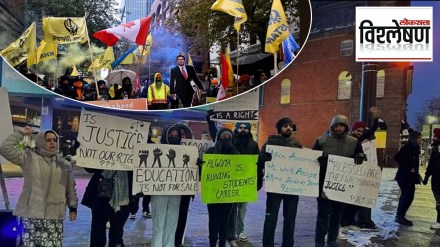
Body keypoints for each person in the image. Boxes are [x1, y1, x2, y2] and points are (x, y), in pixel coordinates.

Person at [0, 126, 78, 246]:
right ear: (41, 141)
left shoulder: (64, 163)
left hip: (54, 216)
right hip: (31, 215)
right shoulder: (28, 157)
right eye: (48, 140)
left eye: (54, 140)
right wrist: (21, 133)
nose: (52, 142)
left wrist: (73, 208)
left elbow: (70, 188)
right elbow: (5, 149)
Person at [312, 115, 365, 247]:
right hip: (324, 185)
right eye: (336, 125)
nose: (339, 128)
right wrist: (319, 160)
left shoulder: (353, 142)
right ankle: (319, 242)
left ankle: (331, 240)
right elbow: (311, 159)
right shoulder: (322, 140)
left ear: (346, 127)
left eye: (341, 126)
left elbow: (361, 159)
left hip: (342, 187)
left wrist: (361, 156)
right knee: (323, 215)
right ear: (332, 126)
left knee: (336, 216)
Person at [257, 118, 303, 247]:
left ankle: (288, 244)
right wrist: (264, 158)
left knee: (290, 219)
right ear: (279, 129)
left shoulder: (297, 144)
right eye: (285, 126)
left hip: (292, 187)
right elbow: (260, 160)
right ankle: (267, 244)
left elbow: (303, 164)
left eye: (290, 126)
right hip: (275, 187)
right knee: (271, 218)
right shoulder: (270, 143)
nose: (288, 128)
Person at [341, 107, 381, 231]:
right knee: (345, 202)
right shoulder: (346, 139)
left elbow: (373, 129)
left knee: (354, 201)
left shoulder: (360, 139)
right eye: (357, 130)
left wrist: (375, 118)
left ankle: (349, 222)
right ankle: (343, 224)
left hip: (357, 174)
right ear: (352, 130)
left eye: (361, 131)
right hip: (346, 174)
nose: (359, 133)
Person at [82, 167, 133, 247]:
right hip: (101, 195)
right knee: (98, 234)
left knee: (117, 234)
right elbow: (89, 168)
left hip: (124, 198)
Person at [205, 128, 238, 247]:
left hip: (228, 193)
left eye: (229, 136)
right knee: (213, 221)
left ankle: (222, 244)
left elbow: (242, 169)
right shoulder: (210, 151)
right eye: (224, 136)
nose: (226, 139)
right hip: (213, 192)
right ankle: (212, 243)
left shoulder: (235, 152)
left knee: (225, 221)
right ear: (219, 138)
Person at [151, 125, 182, 247]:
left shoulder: (182, 152)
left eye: (176, 135)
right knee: (158, 223)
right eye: (171, 135)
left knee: (172, 223)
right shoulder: (156, 149)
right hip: (160, 191)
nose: (174, 137)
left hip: (176, 192)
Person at [394, 129, 422, 226]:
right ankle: (400, 216)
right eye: (419, 138)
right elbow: (397, 157)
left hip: (409, 176)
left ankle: (400, 215)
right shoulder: (407, 147)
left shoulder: (414, 148)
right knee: (407, 196)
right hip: (405, 176)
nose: (420, 140)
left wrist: (416, 173)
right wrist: (409, 167)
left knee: (407, 196)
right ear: (414, 138)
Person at [423, 128, 440, 229]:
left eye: (435, 136)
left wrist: (426, 177)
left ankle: (439, 221)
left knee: (439, 201)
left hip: (438, 178)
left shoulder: (436, 149)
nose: (433, 137)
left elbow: (432, 165)